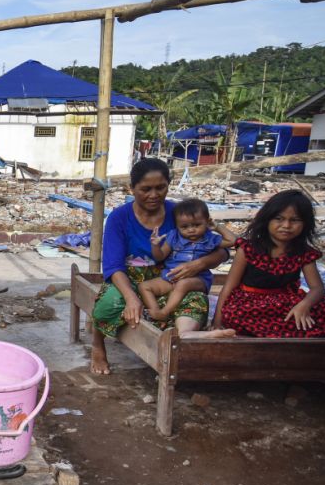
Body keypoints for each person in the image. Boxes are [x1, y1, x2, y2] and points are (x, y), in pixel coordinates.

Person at [89, 158, 231, 375]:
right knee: (110, 302)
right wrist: (131, 297)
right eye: (146, 189)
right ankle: (98, 345)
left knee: (195, 300)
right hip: (130, 276)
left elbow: (221, 251)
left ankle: (183, 338)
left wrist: (199, 263)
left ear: (168, 184)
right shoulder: (120, 217)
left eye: (160, 187)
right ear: (132, 188)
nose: (154, 195)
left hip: (171, 277)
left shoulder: (180, 214)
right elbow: (113, 266)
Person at [212, 189, 325, 339]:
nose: (286, 225)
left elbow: (318, 289)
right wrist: (217, 322)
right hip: (250, 306)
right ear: (267, 220)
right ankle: (288, 332)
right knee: (235, 313)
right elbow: (229, 287)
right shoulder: (248, 249)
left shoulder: (304, 252)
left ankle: (279, 332)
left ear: (305, 224)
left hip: (287, 305)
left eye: (294, 220)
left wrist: (304, 305)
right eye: (279, 219)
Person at [138, 198, 235, 321]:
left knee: (183, 284)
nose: (191, 230)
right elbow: (160, 256)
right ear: (177, 226)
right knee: (144, 286)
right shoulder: (173, 236)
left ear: (207, 222)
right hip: (171, 278)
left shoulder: (209, 239)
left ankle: (165, 312)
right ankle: (156, 313)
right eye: (184, 226)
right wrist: (155, 245)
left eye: (196, 225)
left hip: (197, 280)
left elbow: (233, 241)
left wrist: (217, 227)